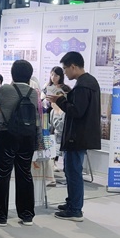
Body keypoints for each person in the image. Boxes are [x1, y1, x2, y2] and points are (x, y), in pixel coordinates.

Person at [47, 51, 101, 222]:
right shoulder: (87, 82)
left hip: (77, 136)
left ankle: (75, 209)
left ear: (73, 66)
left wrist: (59, 101)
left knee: (73, 171)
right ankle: (71, 202)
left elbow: (77, 111)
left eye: (65, 69)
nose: (64, 72)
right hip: (79, 135)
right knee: (70, 170)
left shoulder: (84, 85)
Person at [0, 59, 39, 227]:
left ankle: (0, 215)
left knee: (3, 174)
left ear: (12, 73)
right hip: (27, 137)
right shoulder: (33, 92)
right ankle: (27, 215)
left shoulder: (6, 89)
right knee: (25, 173)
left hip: (7, 134)